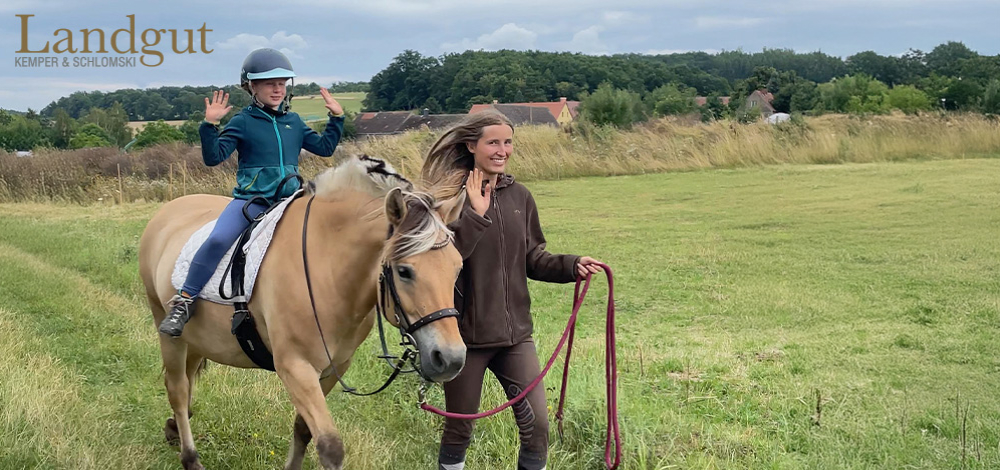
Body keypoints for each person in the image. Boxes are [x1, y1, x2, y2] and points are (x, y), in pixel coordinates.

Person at [421, 110, 604, 470]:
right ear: (471, 145)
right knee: (459, 429)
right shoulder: (447, 199)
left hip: (516, 337)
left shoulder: (520, 196)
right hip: (465, 340)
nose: (502, 150)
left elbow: (533, 257)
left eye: (508, 142)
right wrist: (476, 213)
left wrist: (572, 265)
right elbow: (444, 261)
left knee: (537, 425)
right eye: (493, 142)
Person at [158, 47, 345, 337]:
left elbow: (325, 148)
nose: (277, 89)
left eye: (282, 83)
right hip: (252, 203)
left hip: (292, 201)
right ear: (252, 86)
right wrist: (210, 125)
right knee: (218, 239)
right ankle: (184, 301)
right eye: (270, 83)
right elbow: (213, 157)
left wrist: (337, 119)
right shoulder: (242, 122)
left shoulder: (293, 122)